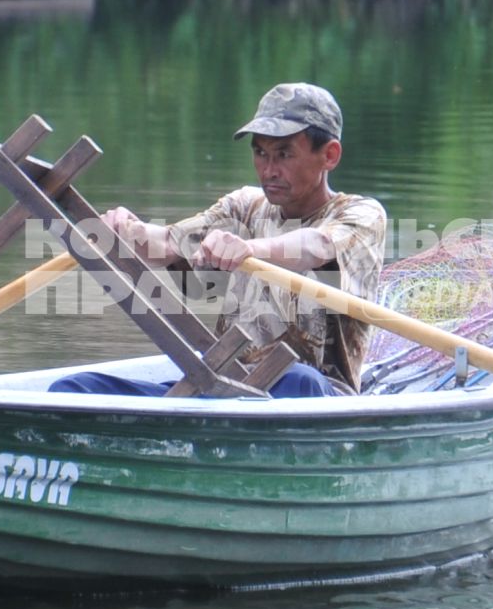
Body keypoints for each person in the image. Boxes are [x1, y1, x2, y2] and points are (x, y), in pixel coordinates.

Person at [49, 82, 387, 398]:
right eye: (260, 153)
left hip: (313, 395)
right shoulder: (243, 205)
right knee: (74, 388)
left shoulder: (361, 215)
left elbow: (317, 246)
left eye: (284, 155)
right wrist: (125, 231)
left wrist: (251, 249)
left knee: (298, 378)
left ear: (329, 156)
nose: (268, 170)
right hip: (222, 384)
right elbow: (168, 243)